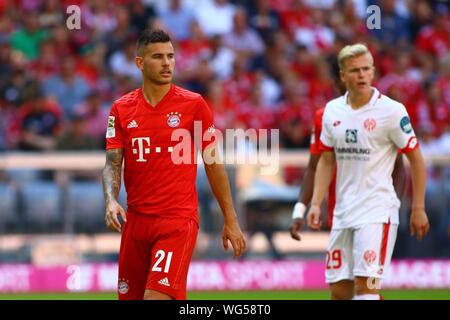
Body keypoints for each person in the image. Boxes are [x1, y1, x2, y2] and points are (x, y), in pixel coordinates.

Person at [102, 29, 246, 300]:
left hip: (176, 221)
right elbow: (112, 162)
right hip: (136, 223)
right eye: (158, 57)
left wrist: (231, 219)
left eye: (170, 56)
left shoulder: (194, 105)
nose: (167, 63)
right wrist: (110, 199)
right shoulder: (121, 109)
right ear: (140, 63)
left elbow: (214, 164)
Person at [305, 43, 430, 300]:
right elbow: (326, 161)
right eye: (354, 70)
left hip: (377, 210)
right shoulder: (331, 111)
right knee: (340, 293)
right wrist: (316, 203)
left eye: (366, 69)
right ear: (342, 75)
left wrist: (418, 207)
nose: (361, 75)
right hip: (343, 211)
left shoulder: (392, 111)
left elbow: (415, 159)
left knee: (366, 289)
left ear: (373, 72)